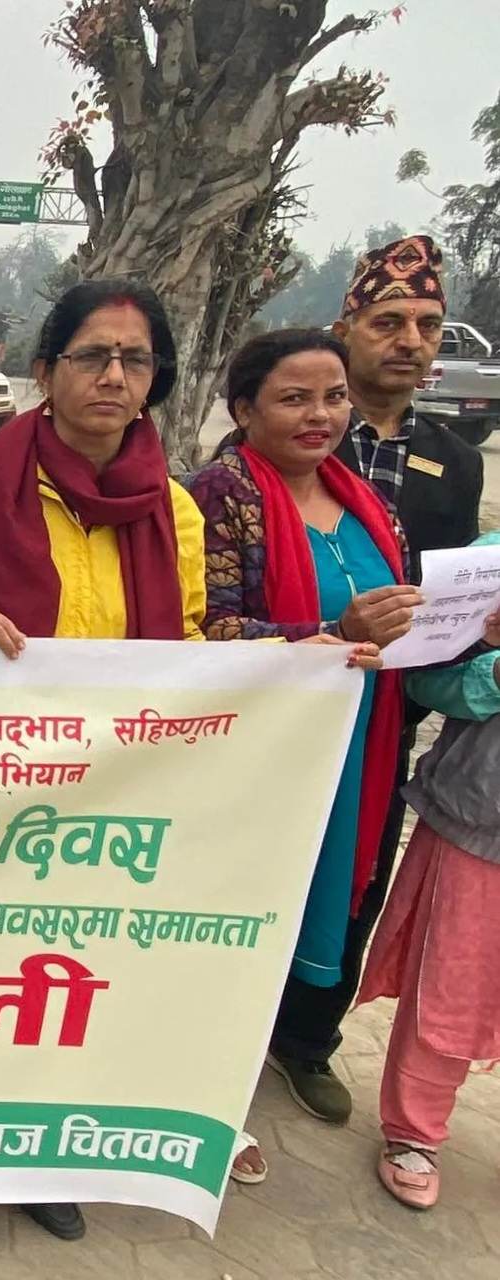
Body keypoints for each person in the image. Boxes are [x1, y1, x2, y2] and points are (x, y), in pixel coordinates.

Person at [0, 279, 207, 1240]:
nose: (114, 376)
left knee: (60, 975)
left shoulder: (174, 512)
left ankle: (35, 1149)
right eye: (92, 355)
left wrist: (302, 663)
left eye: (135, 359)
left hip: (104, 796)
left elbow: (189, 649)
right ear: (46, 371)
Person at [186, 329, 414, 1182]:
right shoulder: (220, 494)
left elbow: (402, 614)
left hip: (356, 739)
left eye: (333, 397)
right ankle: (204, 1081)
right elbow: (201, 629)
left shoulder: (366, 502)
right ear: (244, 410)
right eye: (295, 398)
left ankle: (291, 1045)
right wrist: (327, 633)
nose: (320, 415)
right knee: (237, 910)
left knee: (322, 900)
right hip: (258, 751)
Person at [270, 234, 485, 1125]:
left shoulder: (454, 459)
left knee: (358, 864)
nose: (410, 341)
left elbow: (454, 585)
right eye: (389, 321)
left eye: (428, 325)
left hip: (388, 704)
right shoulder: (299, 429)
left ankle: (307, 1038)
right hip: (287, 688)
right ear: (347, 328)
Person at [357, 580, 500, 1209]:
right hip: (479, 822)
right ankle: (414, 1132)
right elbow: (423, 679)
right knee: (448, 985)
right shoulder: (487, 571)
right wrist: (494, 670)